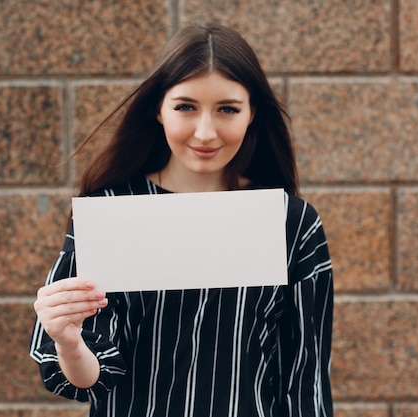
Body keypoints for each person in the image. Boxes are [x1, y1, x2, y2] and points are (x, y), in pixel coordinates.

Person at [29, 23, 334, 417]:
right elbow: (92, 378)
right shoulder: (111, 213)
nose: (205, 133)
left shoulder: (290, 224)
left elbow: (304, 380)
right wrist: (68, 341)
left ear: (252, 113)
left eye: (227, 109)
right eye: (185, 107)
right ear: (159, 108)